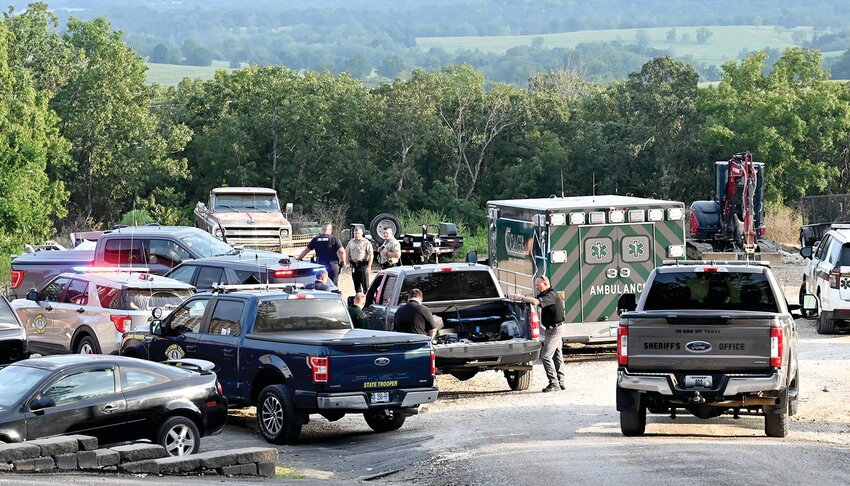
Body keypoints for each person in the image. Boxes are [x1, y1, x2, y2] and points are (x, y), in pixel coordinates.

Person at [510, 276, 565, 393]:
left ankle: (554, 383)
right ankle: (561, 381)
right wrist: (520, 299)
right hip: (555, 328)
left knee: (545, 356)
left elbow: (535, 302)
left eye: (538, 284)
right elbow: (534, 299)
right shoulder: (545, 293)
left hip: (555, 329)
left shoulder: (551, 294)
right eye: (536, 285)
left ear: (546, 284)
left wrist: (521, 297)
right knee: (557, 354)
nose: (536, 287)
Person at [345, 226, 374, 293]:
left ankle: (366, 300)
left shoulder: (366, 242)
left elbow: (371, 255)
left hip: (363, 265)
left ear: (361, 233)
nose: (357, 235)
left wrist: (369, 266)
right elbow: (347, 253)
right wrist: (347, 263)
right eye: (355, 233)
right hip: (354, 266)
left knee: (365, 285)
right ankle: (358, 299)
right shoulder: (351, 242)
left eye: (358, 233)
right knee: (356, 285)